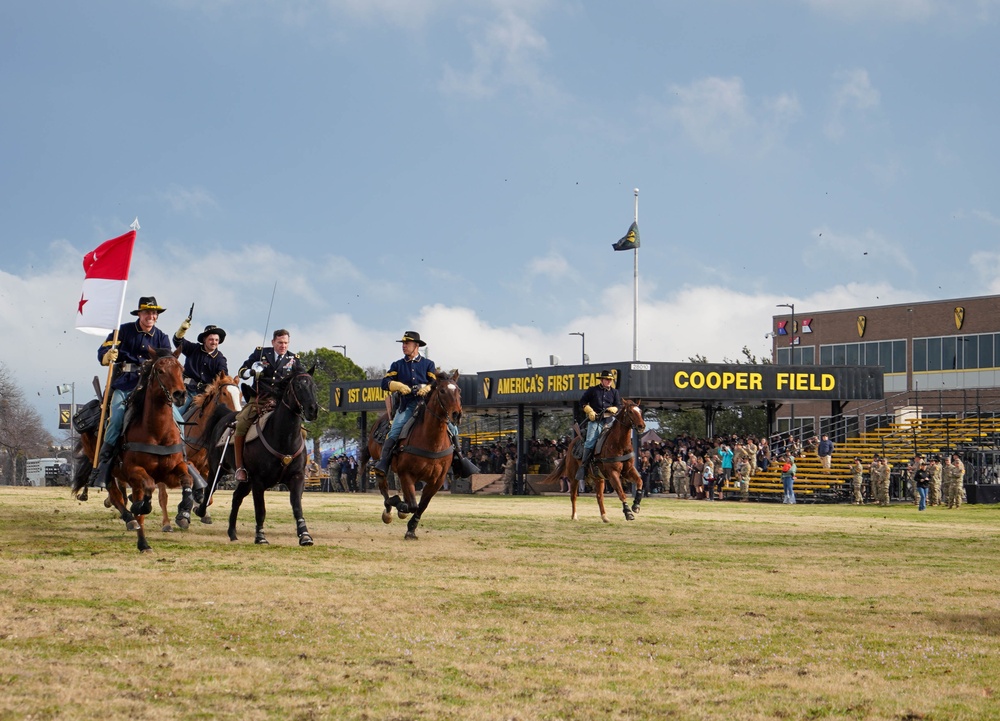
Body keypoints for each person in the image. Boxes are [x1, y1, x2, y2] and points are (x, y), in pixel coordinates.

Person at [89, 296, 172, 488]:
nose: (150, 316)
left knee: (175, 417)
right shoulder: (124, 330)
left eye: (154, 313)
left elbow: (167, 363)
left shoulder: (162, 337)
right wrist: (107, 356)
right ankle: (106, 459)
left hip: (151, 388)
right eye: (147, 312)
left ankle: (180, 453)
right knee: (116, 416)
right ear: (139, 314)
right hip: (127, 384)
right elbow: (103, 350)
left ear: (157, 316)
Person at [372, 331, 478, 481]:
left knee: (452, 428)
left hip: (426, 404)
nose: (403, 346)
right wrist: (397, 385)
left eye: (406, 343)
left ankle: (459, 460)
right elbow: (385, 383)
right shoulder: (397, 365)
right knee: (395, 429)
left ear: (416, 346)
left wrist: (427, 388)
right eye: (403, 343)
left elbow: (435, 381)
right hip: (407, 405)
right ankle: (383, 463)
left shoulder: (428, 364)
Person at [232, 329, 302, 482]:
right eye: (280, 343)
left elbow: (302, 378)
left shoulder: (293, 359)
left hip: (282, 403)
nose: (283, 346)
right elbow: (241, 371)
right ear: (273, 342)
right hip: (260, 399)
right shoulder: (260, 353)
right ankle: (239, 467)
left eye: (285, 343)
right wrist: (251, 371)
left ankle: (298, 467)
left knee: (302, 432)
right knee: (242, 424)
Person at [575, 370, 623, 482]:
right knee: (590, 441)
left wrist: (614, 408)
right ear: (601, 380)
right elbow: (582, 402)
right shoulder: (593, 390)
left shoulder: (615, 392)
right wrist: (589, 411)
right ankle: (584, 467)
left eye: (610, 380)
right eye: (607, 379)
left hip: (609, 420)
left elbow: (618, 405)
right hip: (595, 420)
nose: (609, 381)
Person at [172, 322, 229, 415]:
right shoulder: (193, 348)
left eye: (216, 340)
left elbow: (223, 377)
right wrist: (182, 330)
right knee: (175, 413)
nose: (214, 342)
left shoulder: (220, 359)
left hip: (204, 396)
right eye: (211, 339)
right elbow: (178, 341)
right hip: (185, 391)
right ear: (204, 340)